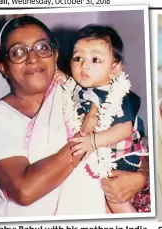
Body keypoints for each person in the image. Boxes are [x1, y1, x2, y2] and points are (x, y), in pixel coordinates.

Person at [0, 16, 149, 218]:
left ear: (55, 54)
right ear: (2, 66)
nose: (32, 59)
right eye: (18, 52)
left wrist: (140, 178)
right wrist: (87, 140)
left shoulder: (76, 93)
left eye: (42, 48)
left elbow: (132, 140)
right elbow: (25, 191)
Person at [56, 25, 149, 213]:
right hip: (100, 160)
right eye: (78, 58)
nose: (84, 65)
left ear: (114, 69)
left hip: (121, 159)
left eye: (95, 59)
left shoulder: (117, 95)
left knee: (114, 198)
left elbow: (124, 128)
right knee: (102, 204)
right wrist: (64, 79)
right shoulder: (84, 89)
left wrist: (93, 141)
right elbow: (75, 92)